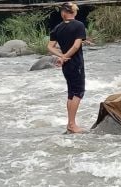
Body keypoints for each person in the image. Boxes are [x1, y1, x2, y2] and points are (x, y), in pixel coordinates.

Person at [47, 2, 86, 133]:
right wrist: (65, 56)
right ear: (73, 12)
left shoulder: (57, 28)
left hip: (67, 66)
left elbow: (50, 47)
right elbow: (76, 46)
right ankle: (72, 124)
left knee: (71, 93)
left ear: (63, 13)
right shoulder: (79, 25)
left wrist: (61, 56)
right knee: (79, 92)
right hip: (76, 63)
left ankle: (70, 123)